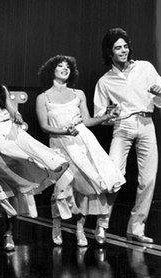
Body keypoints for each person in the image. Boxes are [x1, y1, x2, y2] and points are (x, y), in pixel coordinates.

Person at [0, 51, 68, 251]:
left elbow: (13, 111)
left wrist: (18, 116)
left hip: (9, 135)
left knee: (17, 184)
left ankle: (9, 233)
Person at [36, 55, 125, 246]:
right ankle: (57, 225)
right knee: (62, 188)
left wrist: (106, 117)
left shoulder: (79, 94)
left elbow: (87, 121)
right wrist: (64, 130)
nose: (65, 69)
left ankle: (80, 229)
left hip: (83, 142)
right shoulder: (43, 98)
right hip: (60, 145)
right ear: (52, 70)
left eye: (68, 66)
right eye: (60, 66)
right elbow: (44, 126)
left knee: (87, 186)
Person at [94, 28, 161, 243]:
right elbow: (99, 114)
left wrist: (159, 94)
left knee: (148, 179)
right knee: (113, 177)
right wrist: (110, 115)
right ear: (109, 52)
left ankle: (136, 229)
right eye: (118, 47)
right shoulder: (105, 81)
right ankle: (102, 225)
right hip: (123, 126)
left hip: (146, 123)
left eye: (125, 46)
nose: (123, 51)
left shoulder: (145, 67)